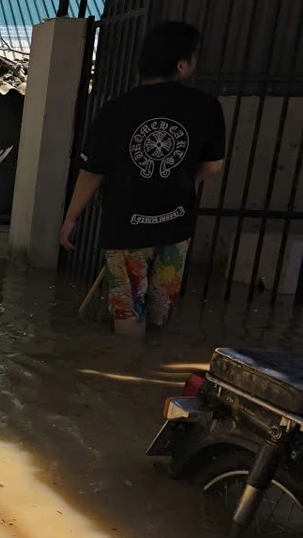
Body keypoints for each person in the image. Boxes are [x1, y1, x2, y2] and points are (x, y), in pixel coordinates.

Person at [59, 21, 225, 337]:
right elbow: (213, 166)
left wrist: (71, 218)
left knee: (127, 312)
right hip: (176, 225)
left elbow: (93, 171)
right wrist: (183, 181)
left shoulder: (115, 109)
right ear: (182, 65)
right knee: (160, 310)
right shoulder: (207, 107)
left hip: (125, 227)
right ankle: (145, 377)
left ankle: (120, 378)